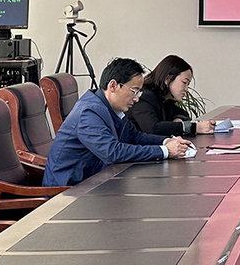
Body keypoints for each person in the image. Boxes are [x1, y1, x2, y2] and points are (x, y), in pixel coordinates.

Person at [44, 57, 191, 187]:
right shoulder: (88, 113)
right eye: (134, 91)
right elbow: (112, 152)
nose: (137, 98)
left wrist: (167, 141)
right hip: (67, 191)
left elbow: (135, 136)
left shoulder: (110, 108)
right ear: (113, 86)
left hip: (93, 181)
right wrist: (165, 151)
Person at [127, 55, 215, 137]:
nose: (186, 89)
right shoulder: (143, 97)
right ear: (168, 79)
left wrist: (178, 119)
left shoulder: (165, 98)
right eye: (184, 82)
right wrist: (194, 127)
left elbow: (183, 113)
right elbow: (153, 128)